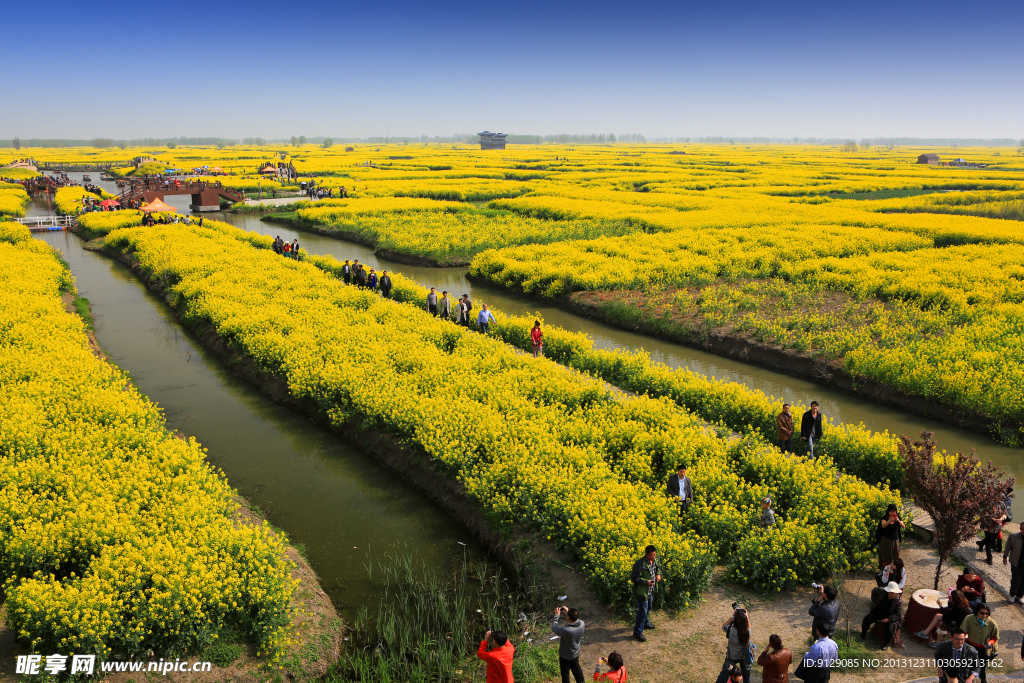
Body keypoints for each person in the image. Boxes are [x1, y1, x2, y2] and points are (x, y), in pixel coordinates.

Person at [630, 545, 661, 642]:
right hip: (642, 592)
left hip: (650, 590)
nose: (654, 557)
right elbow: (634, 578)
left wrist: (658, 574)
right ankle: (637, 632)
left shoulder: (655, 560)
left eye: (655, 555)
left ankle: (646, 623)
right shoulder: (639, 564)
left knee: (649, 608)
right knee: (642, 612)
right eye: (651, 555)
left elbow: (658, 568)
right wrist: (646, 582)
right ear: (646, 554)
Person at [860, 581, 903, 651]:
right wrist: (873, 600)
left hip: (890, 616)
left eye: (896, 593)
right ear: (889, 592)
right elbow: (874, 591)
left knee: (889, 629)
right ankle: (863, 635)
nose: (895, 594)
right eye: (893, 592)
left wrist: (888, 619)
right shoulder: (881, 591)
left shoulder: (898, 601)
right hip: (878, 612)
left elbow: (899, 614)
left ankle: (886, 643)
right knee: (867, 619)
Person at [715, 605, 753, 683]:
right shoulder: (747, 632)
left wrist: (733, 616)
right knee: (746, 675)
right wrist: (747, 617)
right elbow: (749, 627)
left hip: (731, 656)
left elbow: (724, 626)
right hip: (744, 657)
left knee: (724, 675)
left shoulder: (730, 630)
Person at [961, 603, 998, 683]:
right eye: (982, 613)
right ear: (977, 612)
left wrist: (990, 643)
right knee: (969, 667)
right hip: (970, 647)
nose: (984, 615)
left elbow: (995, 637)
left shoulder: (992, 623)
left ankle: (983, 680)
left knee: (981, 668)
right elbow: (963, 632)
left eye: (986, 613)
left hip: (983, 650)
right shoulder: (969, 619)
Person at [552, 606, 585, 683]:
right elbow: (577, 619)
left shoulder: (567, 630)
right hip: (575, 653)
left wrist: (557, 615)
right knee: (577, 670)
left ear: (568, 618)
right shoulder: (582, 624)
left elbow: (554, 628)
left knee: (565, 674)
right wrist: (569, 611)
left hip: (565, 656)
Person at [876, 504, 904, 569]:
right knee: (884, 555)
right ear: (888, 511)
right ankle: (883, 570)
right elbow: (883, 525)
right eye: (891, 511)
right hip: (886, 540)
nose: (893, 513)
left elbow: (903, 526)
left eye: (894, 511)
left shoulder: (898, 518)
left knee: (895, 556)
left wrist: (898, 521)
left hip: (895, 541)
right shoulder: (884, 518)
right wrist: (889, 521)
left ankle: (893, 570)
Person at [1002, 521, 1024, 603]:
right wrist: (1004, 557)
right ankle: (1012, 594)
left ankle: (1020, 596)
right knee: (1016, 580)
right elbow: (1007, 547)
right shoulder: (1013, 536)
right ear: (1020, 529)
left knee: (1023, 581)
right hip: (1016, 562)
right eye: (1023, 528)